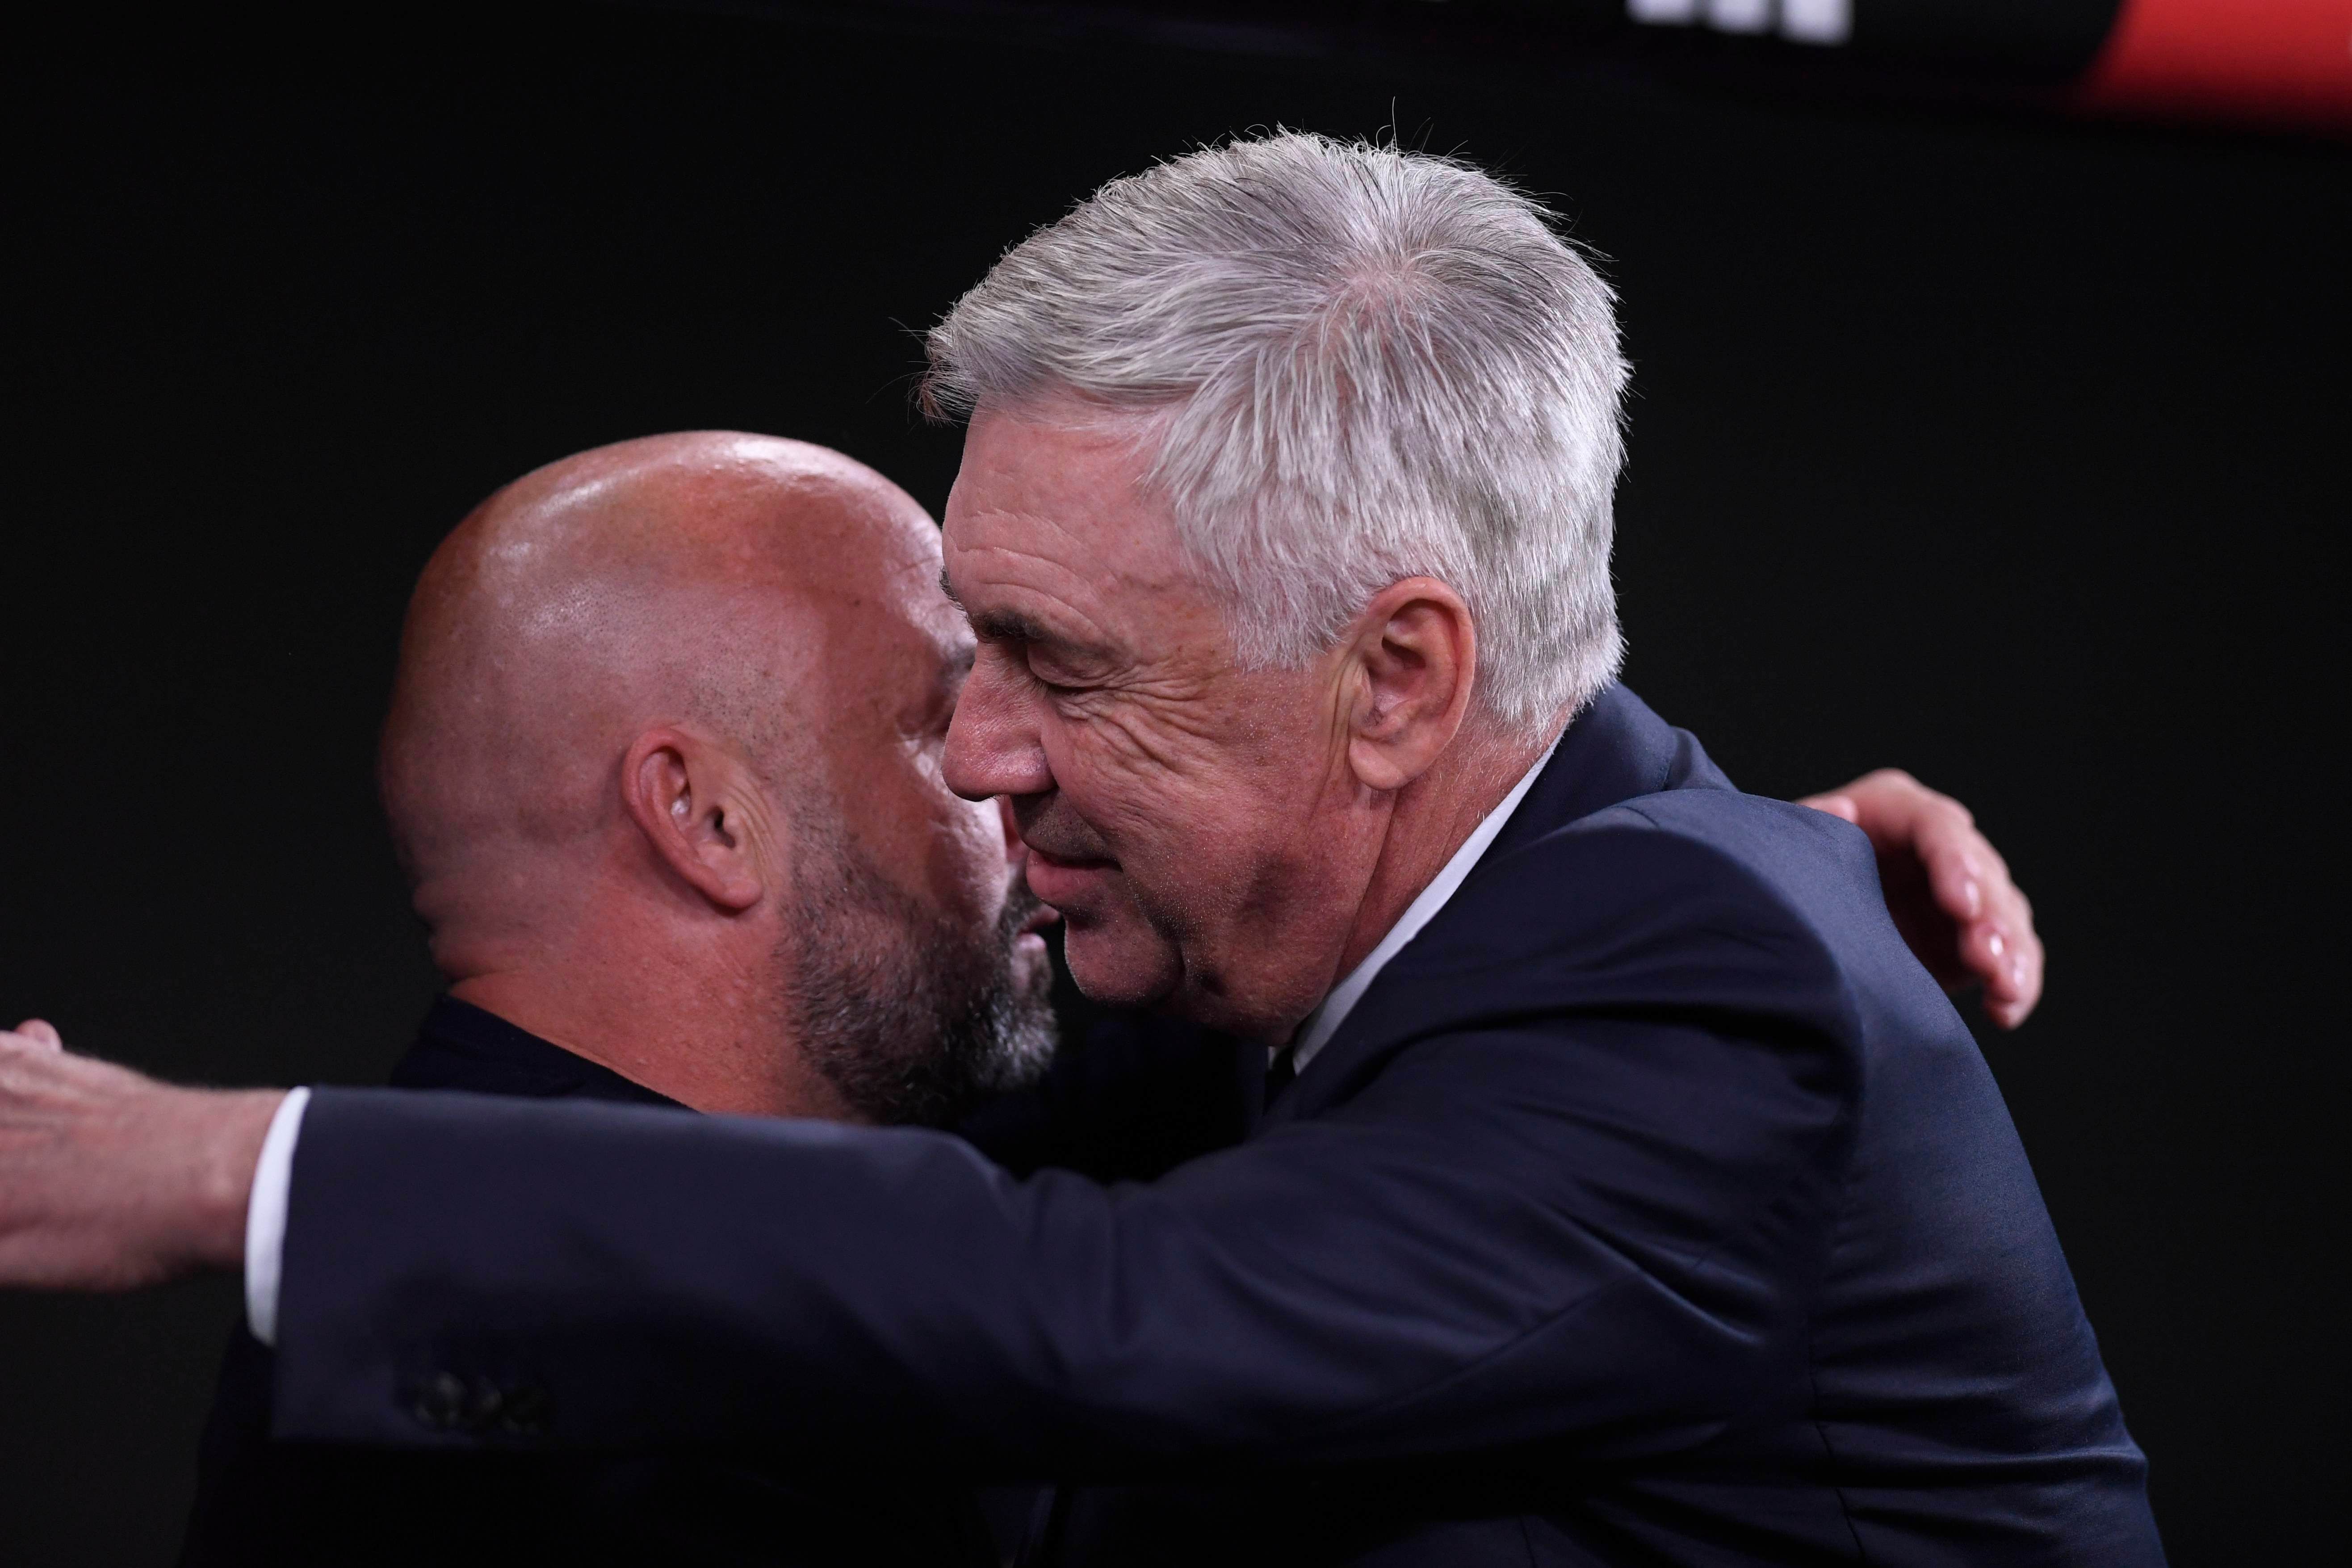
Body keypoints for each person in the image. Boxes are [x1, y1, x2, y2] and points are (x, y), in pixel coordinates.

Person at [0, 132, 2143, 1566]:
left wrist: (240, 1164)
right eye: (956, 658)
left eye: (1052, 658)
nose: (990, 751)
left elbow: (1102, 1305)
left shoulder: (1694, 980)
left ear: (1398, 677)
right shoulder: (1495, 922)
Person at [178, 432, 1050, 1566]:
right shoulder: (647, 1390)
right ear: (706, 821)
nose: (1022, 787)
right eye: (940, 728)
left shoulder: (458, 1286)